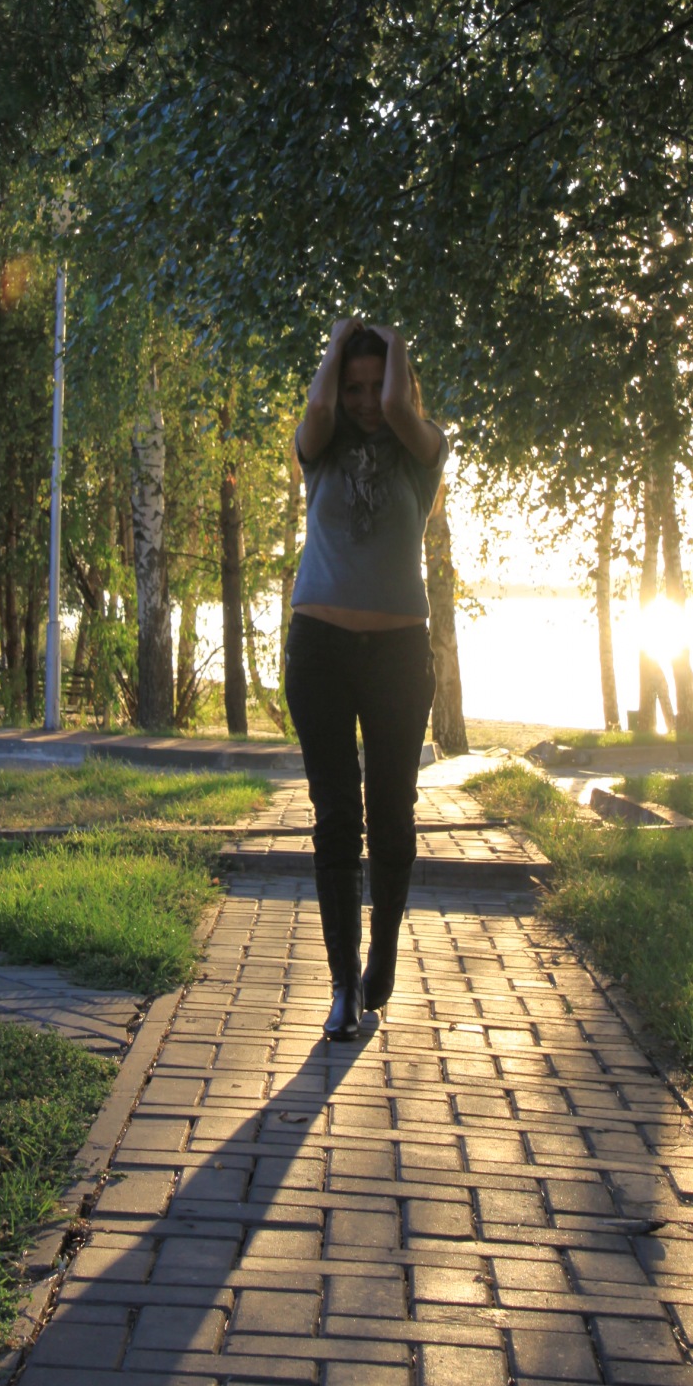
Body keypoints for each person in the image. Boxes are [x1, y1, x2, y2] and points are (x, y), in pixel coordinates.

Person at [285, 318, 448, 1038]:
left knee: (391, 812)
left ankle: (383, 951)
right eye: (353, 386)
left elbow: (402, 414)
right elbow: (319, 408)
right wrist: (337, 343)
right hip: (319, 650)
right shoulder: (318, 448)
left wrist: (396, 347)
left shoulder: (423, 450)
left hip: (398, 657)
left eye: (376, 386)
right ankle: (343, 984)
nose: (363, 401)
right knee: (335, 817)